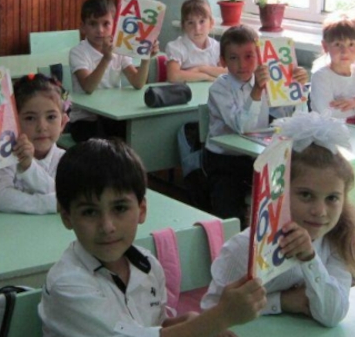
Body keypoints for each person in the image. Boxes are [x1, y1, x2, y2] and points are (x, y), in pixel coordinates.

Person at [40, 138, 267, 337]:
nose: (107, 226)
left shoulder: (147, 265)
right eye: (90, 212)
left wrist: (187, 323)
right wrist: (219, 317)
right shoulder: (66, 283)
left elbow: (151, 327)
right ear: (67, 217)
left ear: (142, 210)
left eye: (119, 208)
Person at [201, 113, 355, 327]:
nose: (320, 211)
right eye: (306, 195)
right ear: (279, 192)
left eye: (332, 198)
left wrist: (309, 258)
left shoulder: (338, 239)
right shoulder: (243, 249)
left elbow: (332, 314)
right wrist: (281, 302)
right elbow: (210, 316)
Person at [205, 25, 308, 223]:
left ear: (260, 58)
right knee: (228, 212)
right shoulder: (219, 88)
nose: (242, 64)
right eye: (233, 58)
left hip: (255, 155)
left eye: (249, 56)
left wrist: (296, 86)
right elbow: (242, 127)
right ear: (223, 61)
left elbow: (288, 116)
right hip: (224, 160)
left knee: (285, 190)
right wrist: (257, 92)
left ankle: (270, 229)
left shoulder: (266, 81)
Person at [68, 0, 153, 142]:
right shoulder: (78, 52)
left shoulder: (119, 49)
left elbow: (138, 83)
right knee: (103, 144)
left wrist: (146, 58)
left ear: (115, 25)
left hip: (112, 115)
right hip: (85, 120)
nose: (100, 30)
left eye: (106, 24)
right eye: (93, 24)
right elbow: (88, 87)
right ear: (83, 27)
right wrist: (106, 58)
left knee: (134, 135)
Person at [0, 73, 68, 214]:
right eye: (30, 118)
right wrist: (48, 204)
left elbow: (64, 195)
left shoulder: (65, 160)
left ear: (63, 123)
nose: (42, 127)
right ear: (13, 122)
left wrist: (29, 167)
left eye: (51, 117)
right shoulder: (7, 155)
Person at [165, 0, 224, 83]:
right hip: (185, 90)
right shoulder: (176, 47)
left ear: (211, 23)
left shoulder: (217, 47)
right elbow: (173, 76)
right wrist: (206, 77)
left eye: (202, 21)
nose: (197, 28)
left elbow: (227, 72)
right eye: (190, 23)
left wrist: (201, 69)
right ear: (183, 26)